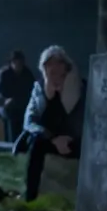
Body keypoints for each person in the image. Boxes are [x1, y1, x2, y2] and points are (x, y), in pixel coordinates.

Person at [18, 45, 85, 202]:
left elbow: (86, 118)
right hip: (48, 138)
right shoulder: (39, 89)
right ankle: (30, 197)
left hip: (74, 139)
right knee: (36, 145)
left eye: (58, 63)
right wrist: (52, 138)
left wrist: (70, 137)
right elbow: (30, 121)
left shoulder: (79, 88)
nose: (54, 68)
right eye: (49, 65)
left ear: (66, 66)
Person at [0, 50, 36, 142]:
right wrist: (5, 100)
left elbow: (33, 90)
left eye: (20, 63)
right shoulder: (3, 73)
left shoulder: (27, 74)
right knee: (11, 116)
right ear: (11, 62)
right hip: (5, 107)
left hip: (22, 106)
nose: (18, 65)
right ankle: (11, 142)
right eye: (16, 62)